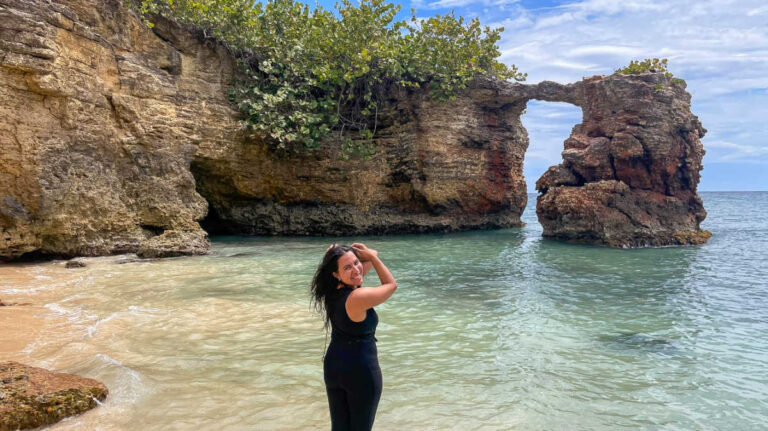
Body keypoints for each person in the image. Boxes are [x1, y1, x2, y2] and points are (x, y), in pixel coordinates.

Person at [310, 242, 398, 431]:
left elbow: (356, 274)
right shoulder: (358, 297)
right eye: (347, 267)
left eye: (356, 263)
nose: (356, 270)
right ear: (335, 274)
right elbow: (391, 285)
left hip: (334, 367)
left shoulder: (331, 290)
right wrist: (371, 257)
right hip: (360, 371)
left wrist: (343, 256)